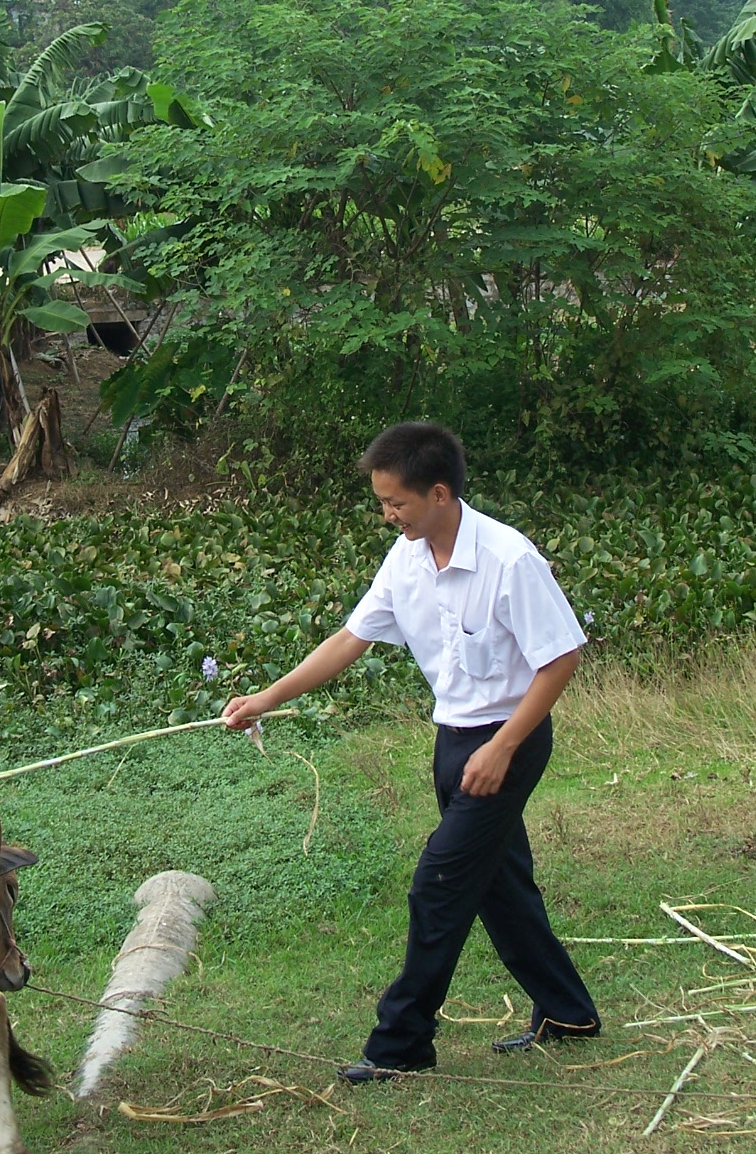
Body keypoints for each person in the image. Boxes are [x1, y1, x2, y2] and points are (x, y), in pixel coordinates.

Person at [222, 421, 599, 1082]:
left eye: (396, 503)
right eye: (382, 503)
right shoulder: (407, 558)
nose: (388, 515)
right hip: (452, 742)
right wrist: (266, 699)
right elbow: (350, 639)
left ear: (440, 494)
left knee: (439, 885)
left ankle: (401, 1045)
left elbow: (560, 659)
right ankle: (567, 1012)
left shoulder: (510, 560)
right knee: (500, 885)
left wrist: (503, 748)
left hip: (506, 745)